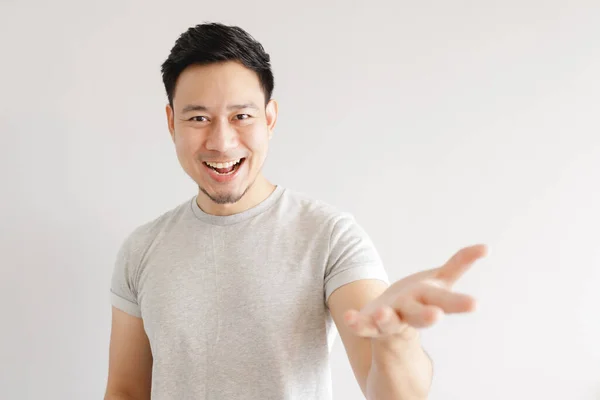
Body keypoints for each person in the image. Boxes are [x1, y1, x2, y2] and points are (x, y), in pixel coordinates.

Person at [104, 22, 487, 400]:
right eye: (199, 118)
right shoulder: (142, 249)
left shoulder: (329, 235)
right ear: (172, 123)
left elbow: (393, 392)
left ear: (269, 119)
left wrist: (397, 339)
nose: (221, 142)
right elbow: (125, 390)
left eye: (242, 116)